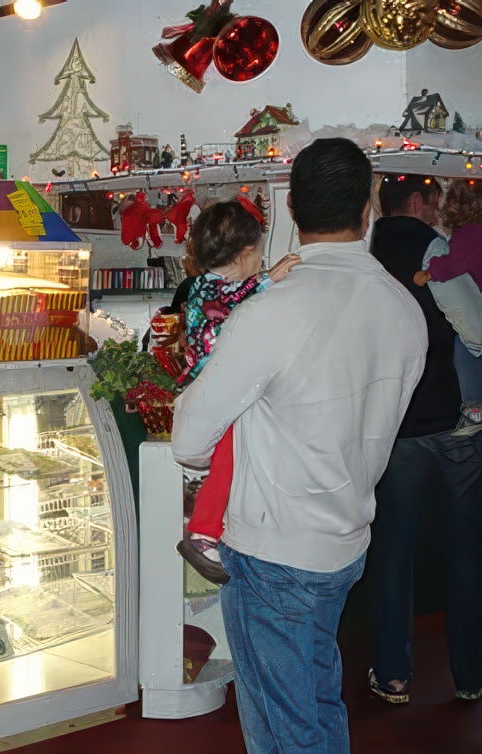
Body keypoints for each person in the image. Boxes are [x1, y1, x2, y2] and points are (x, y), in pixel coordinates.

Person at [172, 138, 426, 752]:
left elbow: (188, 439)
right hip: (345, 540)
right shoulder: (403, 308)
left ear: (292, 210)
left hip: (272, 551)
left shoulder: (271, 311)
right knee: (316, 704)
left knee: (286, 729)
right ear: (367, 208)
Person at [364, 173, 482, 704]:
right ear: (417, 201)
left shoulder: (362, 256)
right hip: (455, 422)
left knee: (393, 551)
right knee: (468, 550)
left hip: (394, 428)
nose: (439, 211)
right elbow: (475, 327)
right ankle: (471, 674)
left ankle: (392, 673)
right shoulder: (436, 249)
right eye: (435, 201)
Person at [173, 199, 301, 584]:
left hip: (204, 385)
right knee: (226, 463)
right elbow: (230, 299)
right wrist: (270, 280)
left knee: (224, 463)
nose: (262, 263)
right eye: (260, 255)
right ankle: (203, 533)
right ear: (246, 253)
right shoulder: (218, 290)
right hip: (218, 390)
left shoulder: (196, 285)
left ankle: (206, 516)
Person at [413, 177, 482, 404]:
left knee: (467, 346)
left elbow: (454, 263)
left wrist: (430, 272)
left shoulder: (470, 234)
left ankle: (472, 409)